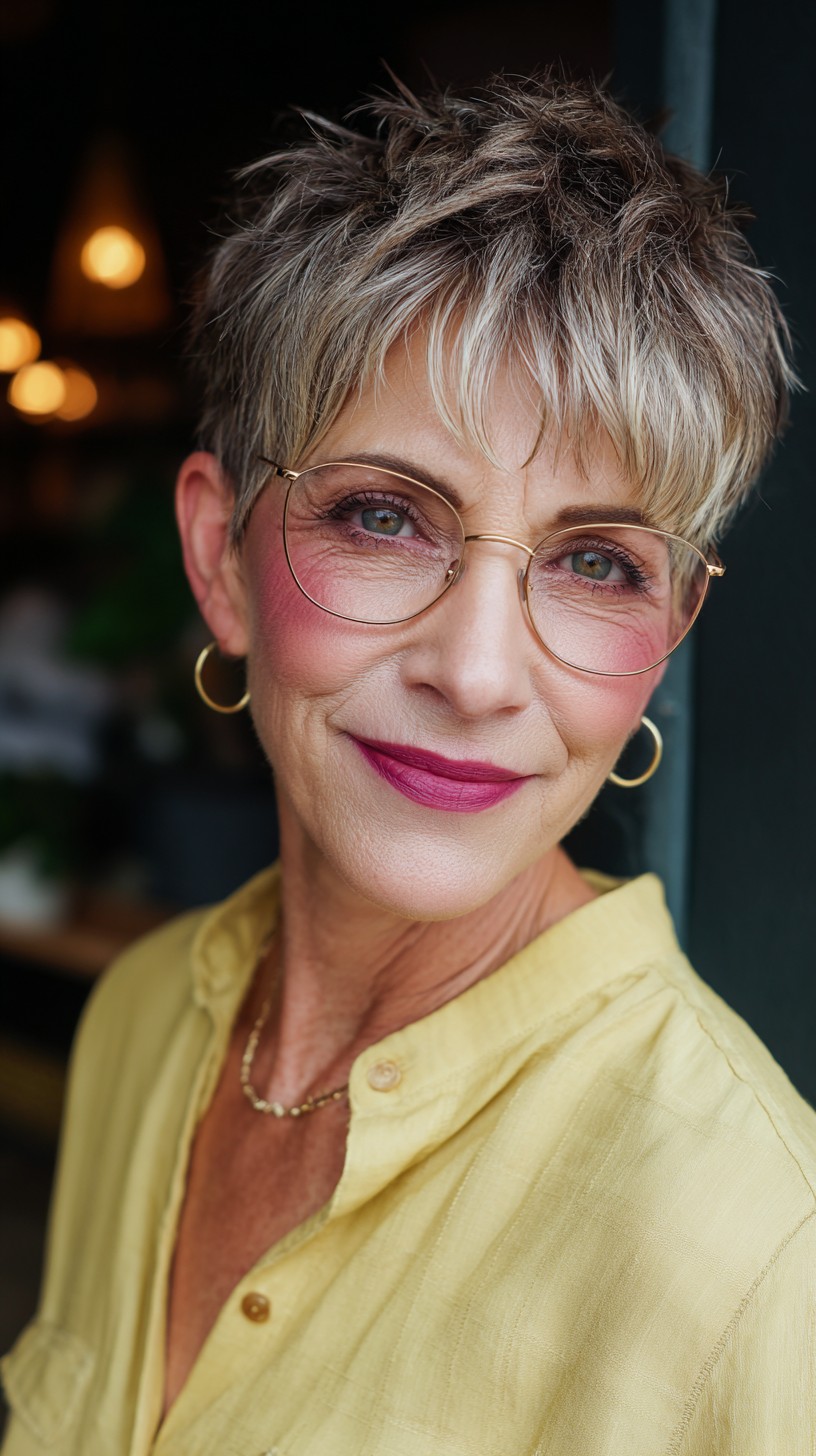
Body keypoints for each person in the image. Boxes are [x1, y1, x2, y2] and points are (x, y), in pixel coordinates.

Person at [2, 73, 814, 1456]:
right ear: (220, 559)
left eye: (597, 562)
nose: (480, 671)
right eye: (386, 516)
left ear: (669, 636)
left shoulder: (756, 1253)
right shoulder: (142, 1023)